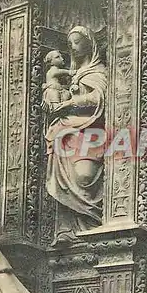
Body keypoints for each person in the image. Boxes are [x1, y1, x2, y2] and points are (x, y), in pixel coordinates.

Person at [44, 26, 107, 246]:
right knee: (62, 181)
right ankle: (67, 229)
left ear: (90, 43)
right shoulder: (72, 73)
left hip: (90, 130)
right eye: (70, 42)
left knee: (84, 178)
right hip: (65, 133)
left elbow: (99, 97)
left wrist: (69, 103)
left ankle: (92, 223)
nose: (72, 46)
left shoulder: (98, 71)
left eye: (77, 41)